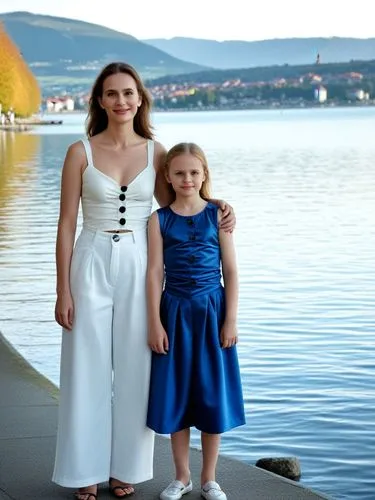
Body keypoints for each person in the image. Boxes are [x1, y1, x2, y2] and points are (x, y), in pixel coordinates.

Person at [52, 62, 235, 500]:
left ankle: (126, 469)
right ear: (99, 99)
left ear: (140, 98)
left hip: (140, 261)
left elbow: (181, 202)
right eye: (112, 93)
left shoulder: (156, 152)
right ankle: (84, 471)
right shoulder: (80, 151)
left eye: (129, 93)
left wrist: (219, 204)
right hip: (90, 258)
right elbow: (65, 223)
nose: (121, 101)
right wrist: (62, 289)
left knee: (138, 369)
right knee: (85, 368)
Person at [146, 143, 245, 500]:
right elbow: (155, 272)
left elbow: (231, 271)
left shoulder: (218, 216)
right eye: (179, 173)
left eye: (193, 172)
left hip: (211, 312)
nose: (187, 179)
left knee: (209, 393)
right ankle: (181, 476)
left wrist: (230, 319)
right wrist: (154, 322)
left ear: (203, 175)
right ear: (168, 177)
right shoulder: (159, 220)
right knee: (178, 393)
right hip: (173, 313)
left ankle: (209, 478)